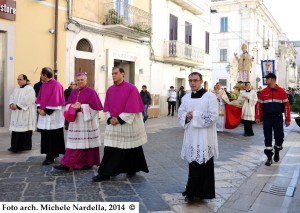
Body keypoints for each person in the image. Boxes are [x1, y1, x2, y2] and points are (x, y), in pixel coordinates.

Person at [92, 67, 149, 182]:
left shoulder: (131, 88)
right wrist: (109, 118)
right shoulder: (110, 89)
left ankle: (131, 168)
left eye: (116, 73)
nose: (113, 75)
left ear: (122, 74)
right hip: (113, 123)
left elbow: (133, 107)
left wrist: (119, 119)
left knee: (131, 147)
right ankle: (105, 173)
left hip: (127, 123)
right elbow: (107, 106)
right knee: (110, 148)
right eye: (112, 73)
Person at [178, 72, 219, 202]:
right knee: (193, 164)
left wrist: (194, 115)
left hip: (205, 136)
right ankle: (191, 190)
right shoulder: (186, 97)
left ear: (201, 81)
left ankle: (204, 192)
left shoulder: (210, 97)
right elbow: (180, 113)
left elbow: (213, 117)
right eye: (190, 80)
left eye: (195, 80)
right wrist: (186, 116)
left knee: (204, 164)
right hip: (191, 135)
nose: (192, 83)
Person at [53, 73, 103, 171]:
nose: (80, 81)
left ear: (86, 80)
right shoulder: (74, 92)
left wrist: (82, 106)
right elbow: (67, 105)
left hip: (87, 122)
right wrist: (72, 106)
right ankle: (67, 163)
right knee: (73, 144)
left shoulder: (92, 92)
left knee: (88, 143)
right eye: (78, 80)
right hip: (76, 122)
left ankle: (88, 162)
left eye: (82, 80)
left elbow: (96, 108)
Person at [255, 73, 291, 166]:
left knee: (279, 137)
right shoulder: (263, 92)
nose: (265, 80)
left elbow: (286, 106)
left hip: (278, 118)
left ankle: (277, 150)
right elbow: (259, 106)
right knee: (267, 138)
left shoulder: (281, 92)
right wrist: (258, 116)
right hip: (267, 118)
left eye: (267, 79)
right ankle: (269, 157)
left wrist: (288, 119)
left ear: (272, 79)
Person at [36, 67, 66, 165]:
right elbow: (39, 97)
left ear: (45, 75)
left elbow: (56, 100)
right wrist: (39, 108)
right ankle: (48, 154)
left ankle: (51, 156)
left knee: (53, 136)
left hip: (52, 115)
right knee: (45, 136)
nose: (40, 76)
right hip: (44, 114)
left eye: (41, 74)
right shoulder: (44, 85)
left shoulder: (56, 85)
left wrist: (45, 111)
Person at [8, 74, 36, 153]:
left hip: (24, 112)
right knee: (15, 130)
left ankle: (24, 146)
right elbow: (11, 97)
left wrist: (17, 106)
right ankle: (14, 146)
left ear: (25, 80)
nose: (18, 81)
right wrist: (11, 104)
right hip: (16, 112)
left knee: (24, 130)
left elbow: (29, 100)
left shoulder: (30, 89)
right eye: (18, 79)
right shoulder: (16, 88)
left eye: (20, 79)